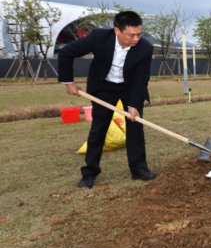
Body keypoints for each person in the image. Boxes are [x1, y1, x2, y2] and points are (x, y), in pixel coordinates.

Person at [58, 11, 155, 188]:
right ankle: (90, 173)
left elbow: (141, 79)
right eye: (131, 35)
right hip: (103, 87)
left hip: (129, 88)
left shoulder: (145, 48)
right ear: (117, 31)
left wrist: (134, 105)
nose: (136, 38)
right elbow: (66, 53)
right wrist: (68, 83)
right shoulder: (99, 37)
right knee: (99, 128)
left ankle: (139, 168)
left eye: (139, 34)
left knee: (135, 127)